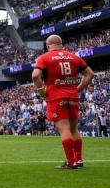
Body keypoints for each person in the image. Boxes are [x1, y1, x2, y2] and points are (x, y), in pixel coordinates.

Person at [32, 34, 94, 169]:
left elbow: (35, 75)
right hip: (73, 96)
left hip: (56, 97)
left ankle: (71, 163)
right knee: (74, 129)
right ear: (61, 44)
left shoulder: (44, 57)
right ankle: (79, 160)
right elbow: (90, 74)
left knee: (64, 129)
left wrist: (41, 90)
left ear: (48, 46)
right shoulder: (74, 56)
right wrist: (78, 89)